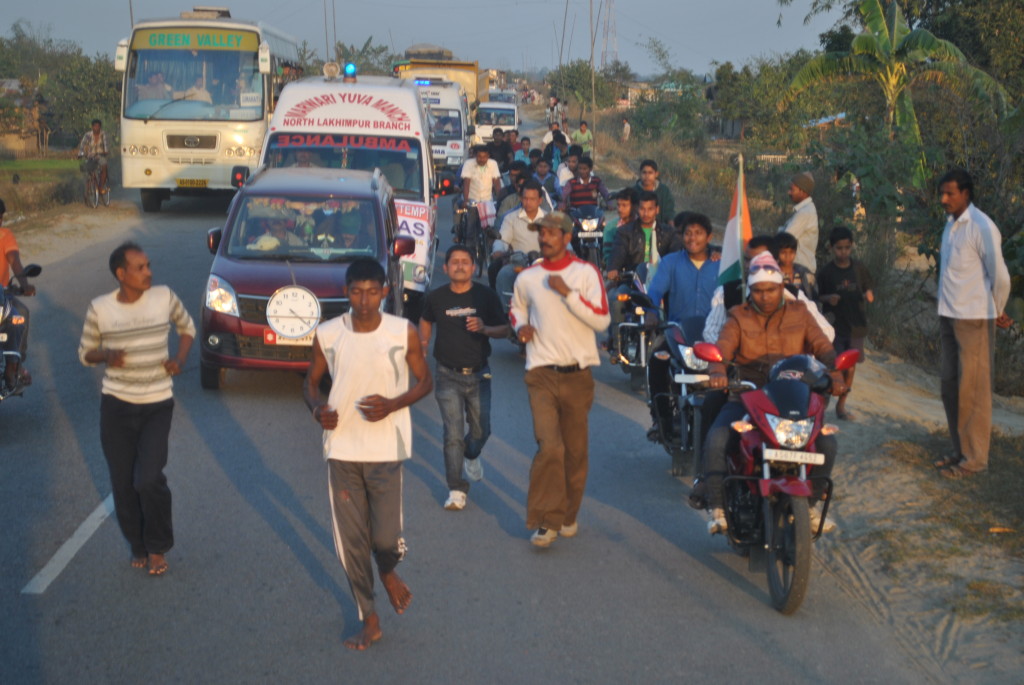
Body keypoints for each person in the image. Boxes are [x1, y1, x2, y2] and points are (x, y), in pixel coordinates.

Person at [303, 258, 432, 650]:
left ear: (385, 292)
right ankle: (370, 617)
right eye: (356, 292)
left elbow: (425, 381)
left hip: (386, 447)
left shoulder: (401, 331)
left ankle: (388, 569)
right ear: (346, 292)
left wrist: (394, 404)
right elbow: (310, 383)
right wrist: (316, 408)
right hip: (341, 448)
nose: (364, 301)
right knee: (351, 541)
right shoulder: (327, 334)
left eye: (372, 292)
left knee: (386, 537)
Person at [703, 251, 845, 534]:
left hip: (792, 397)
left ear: (782, 288)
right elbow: (723, 347)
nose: (765, 296)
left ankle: (812, 507)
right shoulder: (738, 316)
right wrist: (717, 371)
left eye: (770, 289)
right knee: (718, 437)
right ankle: (717, 507)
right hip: (748, 395)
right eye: (758, 290)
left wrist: (836, 372)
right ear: (749, 291)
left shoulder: (801, 313)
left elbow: (823, 347)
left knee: (827, 444)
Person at [77, 242, 195, 575]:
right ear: (121, 274)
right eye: (140, 268)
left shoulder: (164, 297)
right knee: (123, 483)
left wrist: (180, 358)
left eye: (148, 266)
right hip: (116, 406)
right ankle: (138, 544)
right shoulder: (100, 308)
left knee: (148, 479)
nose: (149, 273)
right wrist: (106, 355)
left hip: (157, 403)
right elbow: (85, 352)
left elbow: (187, 328)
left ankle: (158, 546)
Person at [509, 211, 610, 547]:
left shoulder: (585, 273)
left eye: (552, 233)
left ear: (567, 238)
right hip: (541, 373)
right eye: (541, 233)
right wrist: (519, 326)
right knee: (549, 447)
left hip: (577, 375)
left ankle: (568, 513)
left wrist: (568, 293)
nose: (545, 238)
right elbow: (517, 307)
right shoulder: (528, 277)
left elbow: (601, 321)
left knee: (575, 453)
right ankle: (546, 519)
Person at [933, 169, 1012, 479]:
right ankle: (959, 450)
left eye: (950, 193)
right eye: (942, 193)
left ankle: (975, 459)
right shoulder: (950, 226)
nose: (944, 199)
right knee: (950, 387)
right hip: (949, 316)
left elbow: (1000, 276)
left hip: (976, 319)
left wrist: (998, 309)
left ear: (966, 193)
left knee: (974, 391)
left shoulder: (982, 226)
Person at [419, 246, 509, 510]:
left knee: (482, 431)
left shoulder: (485, 296)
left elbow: (505, 330)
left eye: (465, 262)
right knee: (453, 434)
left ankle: (472, 454)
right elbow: (425, 320)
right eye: (454, 262)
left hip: (479, 375)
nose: (459, 266)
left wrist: (484, 328)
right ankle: (456, 489)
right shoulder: (435, 298)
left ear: (472, 267)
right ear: (445, 268)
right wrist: (423, 343)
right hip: (447, 375)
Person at [644, 213, 719, 437]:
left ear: (709, 237)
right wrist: (650, 312)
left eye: (698, 233)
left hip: (713, 337)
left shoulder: (721, 264)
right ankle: (660, 418)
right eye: (688, 233)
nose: (692, 238)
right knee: (656, 361)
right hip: (677, 334)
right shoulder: (670, 262)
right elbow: (655, 290)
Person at [817, 225, 875, 421]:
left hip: (856, 326)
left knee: (850, 367)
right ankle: (821, 405)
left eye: (847, 248)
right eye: (839, 248)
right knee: (833, 366)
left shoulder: (859, 268)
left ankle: (841, 406)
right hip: (834, 328)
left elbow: (868, 287)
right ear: (831, 248)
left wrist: (868, 294)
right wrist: (828, 298)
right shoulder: (826, 272)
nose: (843, 252)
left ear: (852, 247)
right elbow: (818, 297)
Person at [0, 198, 36, 392]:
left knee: (20, 316)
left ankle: (15, 365)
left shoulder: (5, 236)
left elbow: (14, 261)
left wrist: (24, 284)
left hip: (2, 296)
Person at [491, 180, 545, 300]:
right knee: (503, 275)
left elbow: (562, 242)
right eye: (525, 198)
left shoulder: (549, 218)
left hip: (546, 264)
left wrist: (569, 250)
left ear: (540, 200)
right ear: (520, 198)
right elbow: (503, 239)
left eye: (532, 199)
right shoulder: (511, 218)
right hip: (520, 263)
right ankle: (505, 312)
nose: (528, 202)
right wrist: (498, 250)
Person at [778, 171, 819, 272]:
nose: (789, 192)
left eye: (792, 189)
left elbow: (784, 240)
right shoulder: (805, 210)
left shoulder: (805, 213)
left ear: (802, 191)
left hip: (801, 270)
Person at [601, 187, 638, 266]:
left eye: (624, 205)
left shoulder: (643, 224)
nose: (620, 209)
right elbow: (607, 254)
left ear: (635, 206)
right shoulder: (610, 228)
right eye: (618, 205)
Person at [776, 231, 816, 301]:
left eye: (791, 252)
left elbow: (815, 297)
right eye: (783, 252)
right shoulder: (773, 275)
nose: (787, 256)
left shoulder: (805, 273)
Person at [634, 160, 675, 226]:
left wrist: (671, 229)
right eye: (644, 173)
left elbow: (669, 212)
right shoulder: (634, 191)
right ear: (640, 174)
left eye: (650, 173)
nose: (647, 176)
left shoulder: (664, 190)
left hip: (661, 228)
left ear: (656, 174)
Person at [78, 119, 110, 194]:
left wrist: (105, 151)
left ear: (100, 127)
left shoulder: (103, 134)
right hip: (90, 156)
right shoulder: (88, 135)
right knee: (89, 170)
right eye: (95, 126)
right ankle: (88, 188)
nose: (96, 128)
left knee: (104, 167)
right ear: (92, 127)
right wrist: (80, 154)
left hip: (100, 155)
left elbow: (106, 146)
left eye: (98, 126)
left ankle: (100, 187)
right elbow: (82, 145)